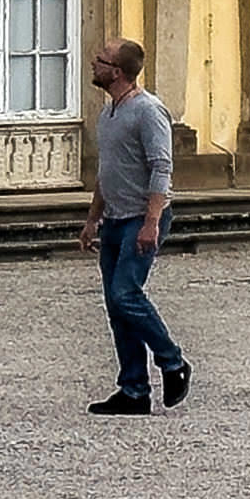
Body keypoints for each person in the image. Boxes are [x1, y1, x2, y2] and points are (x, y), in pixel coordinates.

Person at [81, 36, 183, 416]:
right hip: (114, 218)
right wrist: (93, 219)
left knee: (125, 294)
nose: (94, 63)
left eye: (101, 59)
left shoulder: (148, 111)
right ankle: (134, 389)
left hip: (142, 217)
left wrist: (152, 222)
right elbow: (106, 172)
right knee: (116, 305)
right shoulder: (108, 113)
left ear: (117, 72)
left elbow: (161, 167)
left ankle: (173, 361)